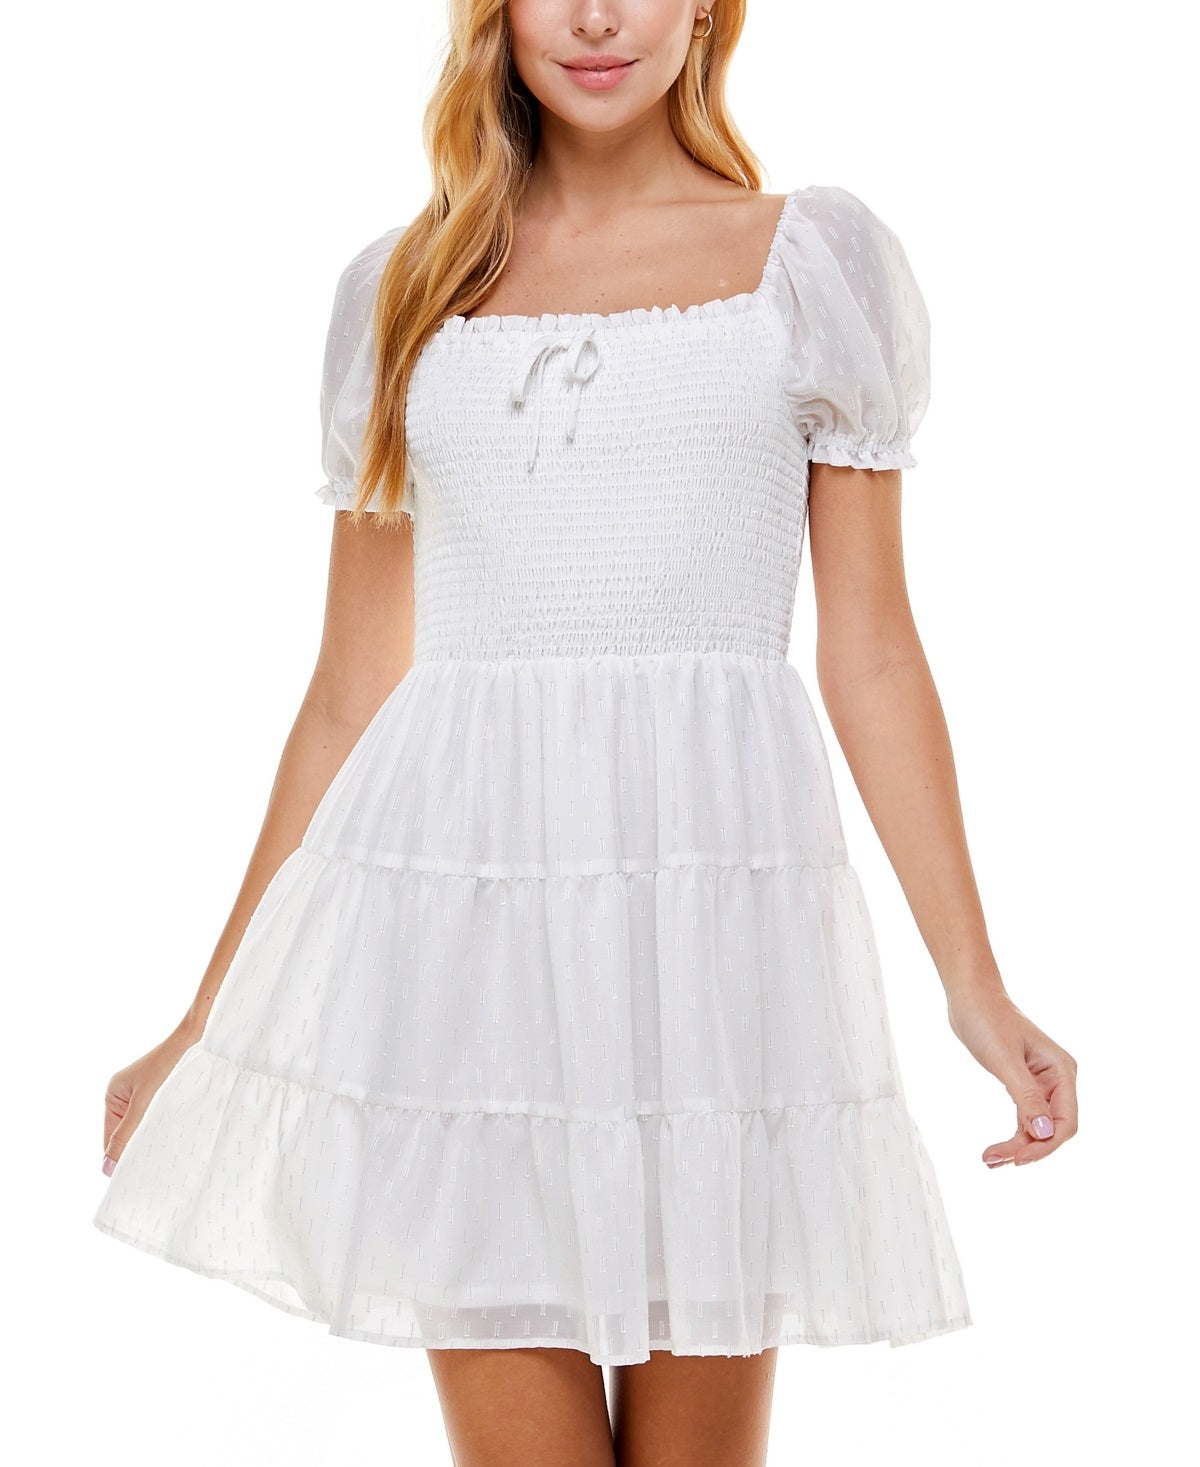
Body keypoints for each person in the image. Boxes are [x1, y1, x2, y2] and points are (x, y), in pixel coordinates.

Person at [92, 3, 1079, 1464]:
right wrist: (206, 1017)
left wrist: (974, 985)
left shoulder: (811, 264)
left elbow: (871, 652)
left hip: (713, 948)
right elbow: (350, 694)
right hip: (466, 963)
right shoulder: (404, 293)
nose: (598, 17)